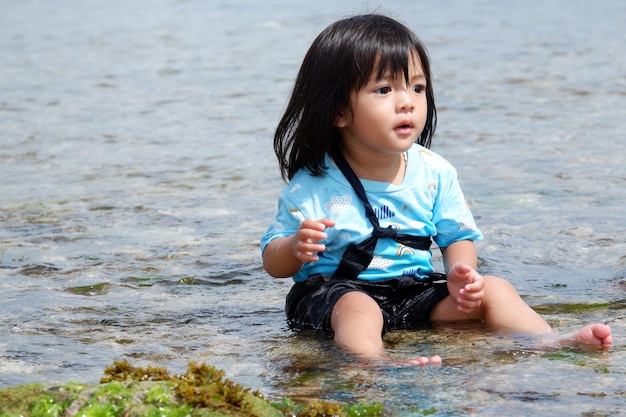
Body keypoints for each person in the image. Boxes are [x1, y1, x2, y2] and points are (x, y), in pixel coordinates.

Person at [261, 14, 612, 365]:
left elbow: (456, 235)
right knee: (359, 309)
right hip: (335, 296)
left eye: (417, 87)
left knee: (496, 289)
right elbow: (273, 260)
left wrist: (464, 276)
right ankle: (373, 362)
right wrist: (294, 247)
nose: (407, 102)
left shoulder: (435, 172)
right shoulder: (315, 182)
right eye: (384, 90)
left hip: (413, 292)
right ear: (339, 112)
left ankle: (545, 340)